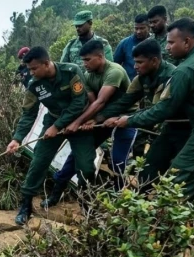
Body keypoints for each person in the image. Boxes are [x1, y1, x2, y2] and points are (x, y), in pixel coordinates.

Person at [111, 18, 194, 243]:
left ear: (187, 41)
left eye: (171, 43)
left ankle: (154, 243)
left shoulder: (185, 70)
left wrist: (129, 120)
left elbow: (163, 110)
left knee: (175, 182)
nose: (167, 47)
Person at [100, 39, 194, 240]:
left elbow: (161, 110)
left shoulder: (174, 75)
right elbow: (125, 101)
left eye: (139, 62)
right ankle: (139, 211)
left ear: (154, 61)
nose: (135, 67)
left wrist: (127, 121)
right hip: (169, 129)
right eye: (135, 62)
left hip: (189, 131)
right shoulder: (142, 78)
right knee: (150, 167)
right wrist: (99, 118)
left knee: (188, 173)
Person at [42, 40, 138, 206]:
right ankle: (58, 191)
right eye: (83, 60)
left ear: (100, 57)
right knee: (80, 153)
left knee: (118, 161)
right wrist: (87, 122)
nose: (83, 63)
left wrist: (82, 121)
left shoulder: (114, 71)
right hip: (101, 119)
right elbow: (88, 101)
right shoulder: (87, 75)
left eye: (87, 60)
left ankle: (118, 201)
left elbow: (100, 102)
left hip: (124, 119)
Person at [6, 46, 94, 225]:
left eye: (33, 68)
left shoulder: (71, 72)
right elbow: (28, 113)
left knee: (86, 167)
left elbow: (79, 102)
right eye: (29, 69)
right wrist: (17, 138)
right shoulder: (34, 84)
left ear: (46, 63)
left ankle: (87, 207)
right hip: (52, 122)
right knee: (38, 162)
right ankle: (26, 206)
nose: (30, 73)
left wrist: (58, 125)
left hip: (78, 123)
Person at [114, 14, 151, 79]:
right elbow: (115, 65)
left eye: (142, 28)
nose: (138, 31)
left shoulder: (154, 43)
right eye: (136, 28)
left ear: (149, 27)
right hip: (129, 84)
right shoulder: (124, 43)